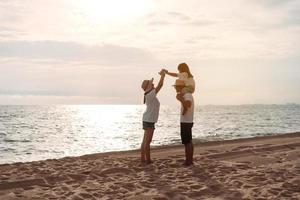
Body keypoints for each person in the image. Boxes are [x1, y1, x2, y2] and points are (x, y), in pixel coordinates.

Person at [140, 70, 166, 164]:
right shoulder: (150, 94)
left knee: (145, 140)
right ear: (148, 87)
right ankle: (148, 160)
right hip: (149, 120)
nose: (153, 84)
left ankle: (143, 158)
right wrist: (163, 76)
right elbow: (160, 86)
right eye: (151, 84)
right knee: (148, 141)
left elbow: (158, 87)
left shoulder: (149, 95)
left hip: (147, 119)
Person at [173, 79, 194, 166]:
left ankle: (188, 161)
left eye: (176, 87)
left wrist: (180, 99)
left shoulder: (187, 95)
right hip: (187, 120)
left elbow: (188, 105)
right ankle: (189, 160)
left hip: (186, 121)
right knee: (188, 141)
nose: (175, 89)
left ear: (180, 87)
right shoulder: (186, 95)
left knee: (187, 142)